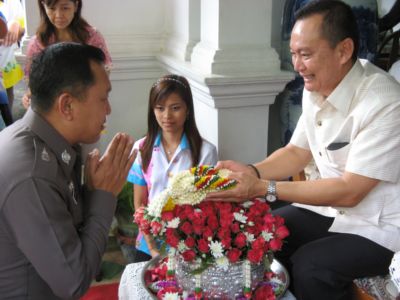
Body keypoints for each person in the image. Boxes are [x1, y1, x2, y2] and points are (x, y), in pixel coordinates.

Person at [207, 1, 400, 299]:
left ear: (344, 50)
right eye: (294, 54)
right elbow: (296, 152)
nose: (297, 65)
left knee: (311, 267)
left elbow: (351, 191)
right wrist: (252, 171)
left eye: (306, 55)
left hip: (379, 224)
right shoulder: (319, 85)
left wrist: (262, 187)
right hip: (331, 207)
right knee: (264, 232)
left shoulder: (384, 102)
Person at [0, 42, 135, 299]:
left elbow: (63, 225)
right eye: (103, 98)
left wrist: (91, 191)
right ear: (67, 106)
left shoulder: (48, 144)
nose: (108, 109)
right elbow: (74, 282)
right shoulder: (32, 174)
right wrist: (104, 196)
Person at [128, 74, 218, 261]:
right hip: (148, 242)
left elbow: (204, 205)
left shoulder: (205, 153)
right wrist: (152, 248)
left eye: (175, 108)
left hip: (188, 243)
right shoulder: (141, 149)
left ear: (188, 110)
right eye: (160, 108)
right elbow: (140, 204)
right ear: (153, 111)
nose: (167, 116)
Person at [22, 0, 112, 109]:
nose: (59, 15)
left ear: (76, 5)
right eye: (52, 9)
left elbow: (103, 74)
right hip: (52, 110)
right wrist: (29, 96)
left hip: (87, 106)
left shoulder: (92, 37)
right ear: (43, 6)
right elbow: (33, 82)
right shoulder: (37, 43)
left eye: (65, 8)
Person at [0, 0, 25, 112]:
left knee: (6, 103)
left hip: (7, 62)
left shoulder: (11, 2)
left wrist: (16, 25)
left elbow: (23, 25)